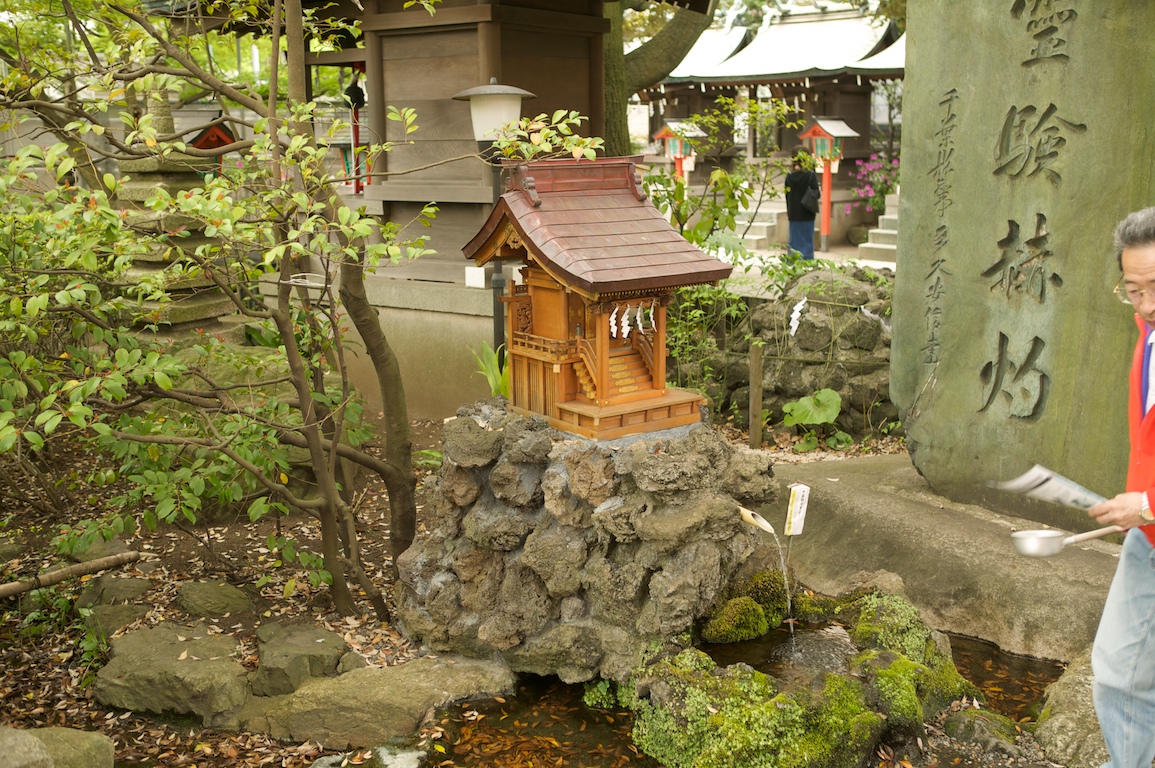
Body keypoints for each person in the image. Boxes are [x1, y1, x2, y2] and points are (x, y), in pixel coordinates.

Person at [1088, 206, 1155, 768]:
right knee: (1118, 673)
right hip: (1148, 535)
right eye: (1134, 291)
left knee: (1123, 674)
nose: (1147, 304)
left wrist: (1149, 503)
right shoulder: (1147, 336)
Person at [784, 147, 820, 260]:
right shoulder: (810, 175)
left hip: (794, 213)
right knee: (807, 239)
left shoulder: (789, 176)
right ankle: (807, 260)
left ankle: (793, 260)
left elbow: (787, 195)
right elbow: (817, 193)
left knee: (794, 240)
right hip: (807, 212)